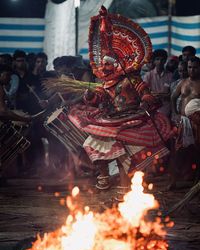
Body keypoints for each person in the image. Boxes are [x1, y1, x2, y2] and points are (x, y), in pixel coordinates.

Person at [48, 6, 172, 190]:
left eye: (108, 64)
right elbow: (98, 98)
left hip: (132, 121)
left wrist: (146, 98)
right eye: (103, 64)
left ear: (116, 65)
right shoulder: (105, 84)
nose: (104, 68)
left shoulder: (131, 79)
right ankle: (104, 177)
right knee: (91, 144)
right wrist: (90, 96)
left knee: (125, 157)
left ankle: (125, 189)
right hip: (112, 120)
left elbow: (145, 91)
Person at [168, 56, 200, 188]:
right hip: (182, 120)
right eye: (189, 67)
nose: (191, 70)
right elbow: (173, 97)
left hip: (196, 121)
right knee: (178, 151)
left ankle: (197, 181)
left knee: (197, 151)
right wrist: (175, 113)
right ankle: (173, 181)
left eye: (195, 67)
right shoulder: (183, 82)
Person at [143, 49, 173, 116]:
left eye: (162, 59)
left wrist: (162, 95)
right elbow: (144, 93)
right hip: (152, 109)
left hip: (167, 109)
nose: (160, 62)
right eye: (157, 59)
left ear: (165, 61)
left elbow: (172, 94)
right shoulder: (148, 75)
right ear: (154, 61)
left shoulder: (170, 75)